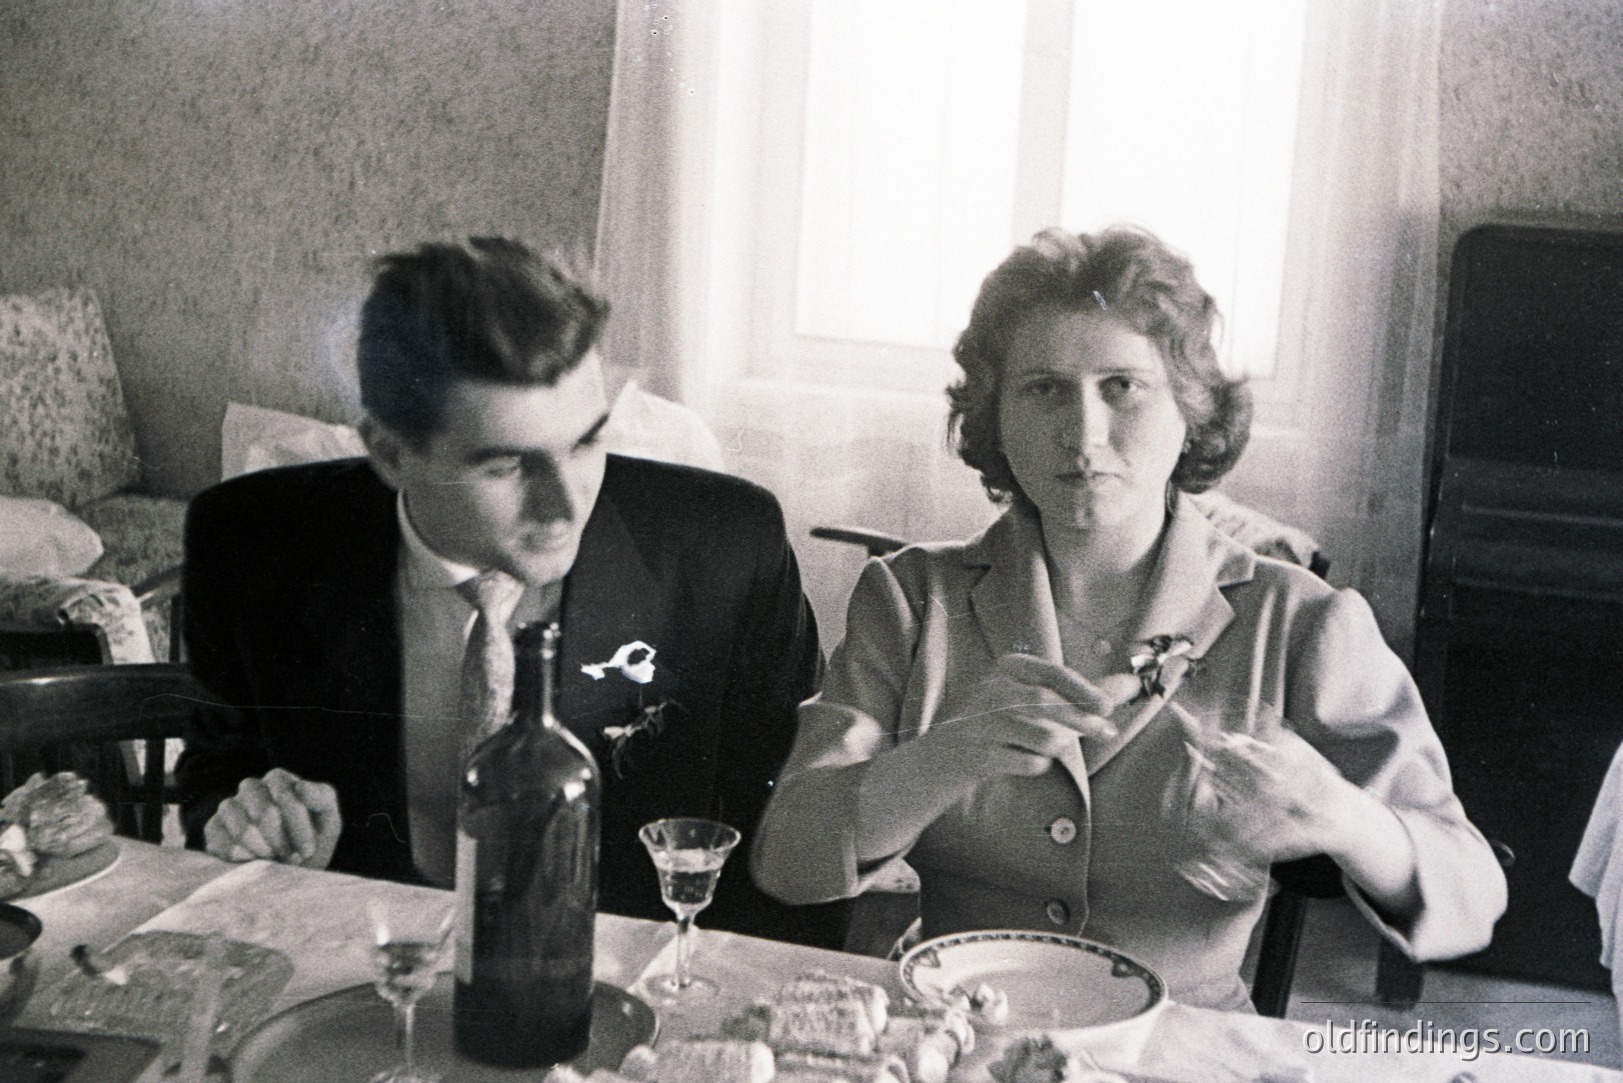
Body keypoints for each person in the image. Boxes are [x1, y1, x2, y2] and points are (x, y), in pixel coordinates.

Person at [751, 226, 1506, 1007]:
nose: (1083, 434)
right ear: (993, 415)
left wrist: (1341, 815)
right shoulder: (908, 599)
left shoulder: (1300, 620)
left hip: (1180, 1049)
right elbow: (786, 862)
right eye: (1042, 389)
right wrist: (947, 754)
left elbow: (1470, 895)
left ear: (1189, 407)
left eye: (1122, 386)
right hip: (953, 1030)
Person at [177, 237, 847, 949]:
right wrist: (247, 819)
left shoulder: (727, 549)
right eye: (506, 465)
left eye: (586, 442)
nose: (564, 505)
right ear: (390, 451)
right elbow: (217, 775)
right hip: (362, 966)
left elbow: (792, 837)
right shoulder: (247, 541)